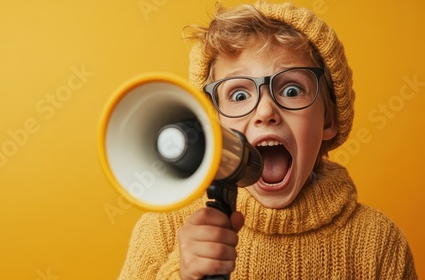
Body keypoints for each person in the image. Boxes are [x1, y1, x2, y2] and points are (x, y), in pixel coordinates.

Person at [118, 1, 417, 279]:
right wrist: (180, 273)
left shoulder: (379, 243)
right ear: (212, 123)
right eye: (238, 95)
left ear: (328, 119)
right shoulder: (163, 233)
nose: (265, 111)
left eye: (291, 90)